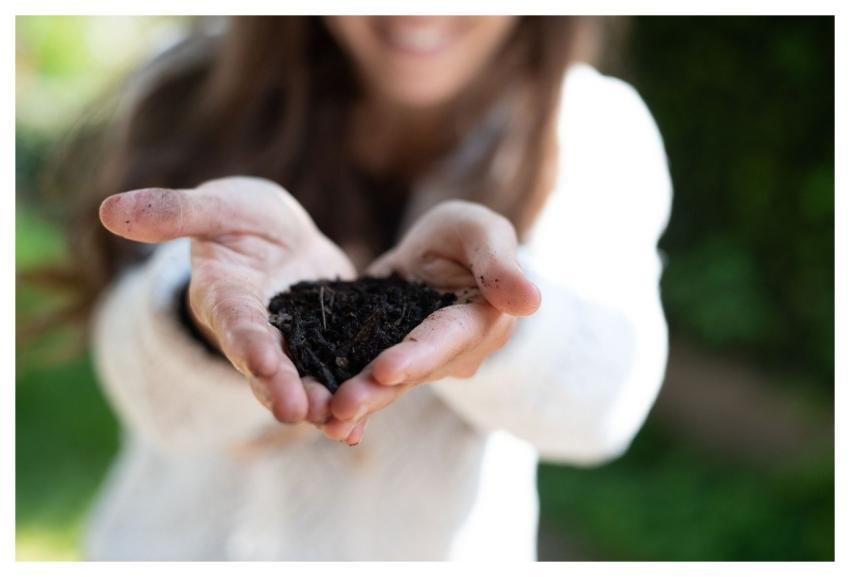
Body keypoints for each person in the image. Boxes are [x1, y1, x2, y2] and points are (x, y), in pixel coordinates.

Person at [59, 16, 671, 560]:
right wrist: (199, 321)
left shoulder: (592, 130)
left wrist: (506, 323)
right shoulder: (196, 86)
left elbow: (605, 402)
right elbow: (142, 394)